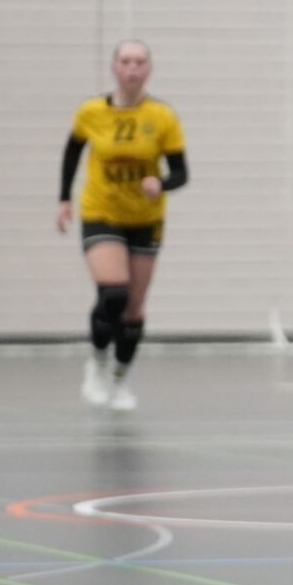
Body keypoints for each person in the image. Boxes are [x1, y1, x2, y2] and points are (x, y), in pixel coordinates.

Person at [56, 41, 188, 412]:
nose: (132, 68)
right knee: (113, 293)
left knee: (133, 309)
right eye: (125, 61)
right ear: (114, 67)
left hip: (145, 219)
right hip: (102, 211)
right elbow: (72, 152)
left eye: (140, 62)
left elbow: (181, 172)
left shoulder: (162, 117)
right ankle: (96, 364)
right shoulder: (92, 112)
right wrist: (64, 198)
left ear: (148, 69)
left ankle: (119, 379)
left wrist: (160, 183)